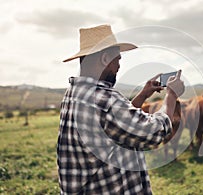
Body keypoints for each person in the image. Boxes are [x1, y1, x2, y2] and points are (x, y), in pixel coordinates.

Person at [57, 24, 185, 194]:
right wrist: (171, 96)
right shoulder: (103, 99)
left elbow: (115, 124)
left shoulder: (74, 92)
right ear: (104, 59)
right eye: (117, 59)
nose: (118, 66)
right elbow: (153, 132)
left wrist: (142, 95)